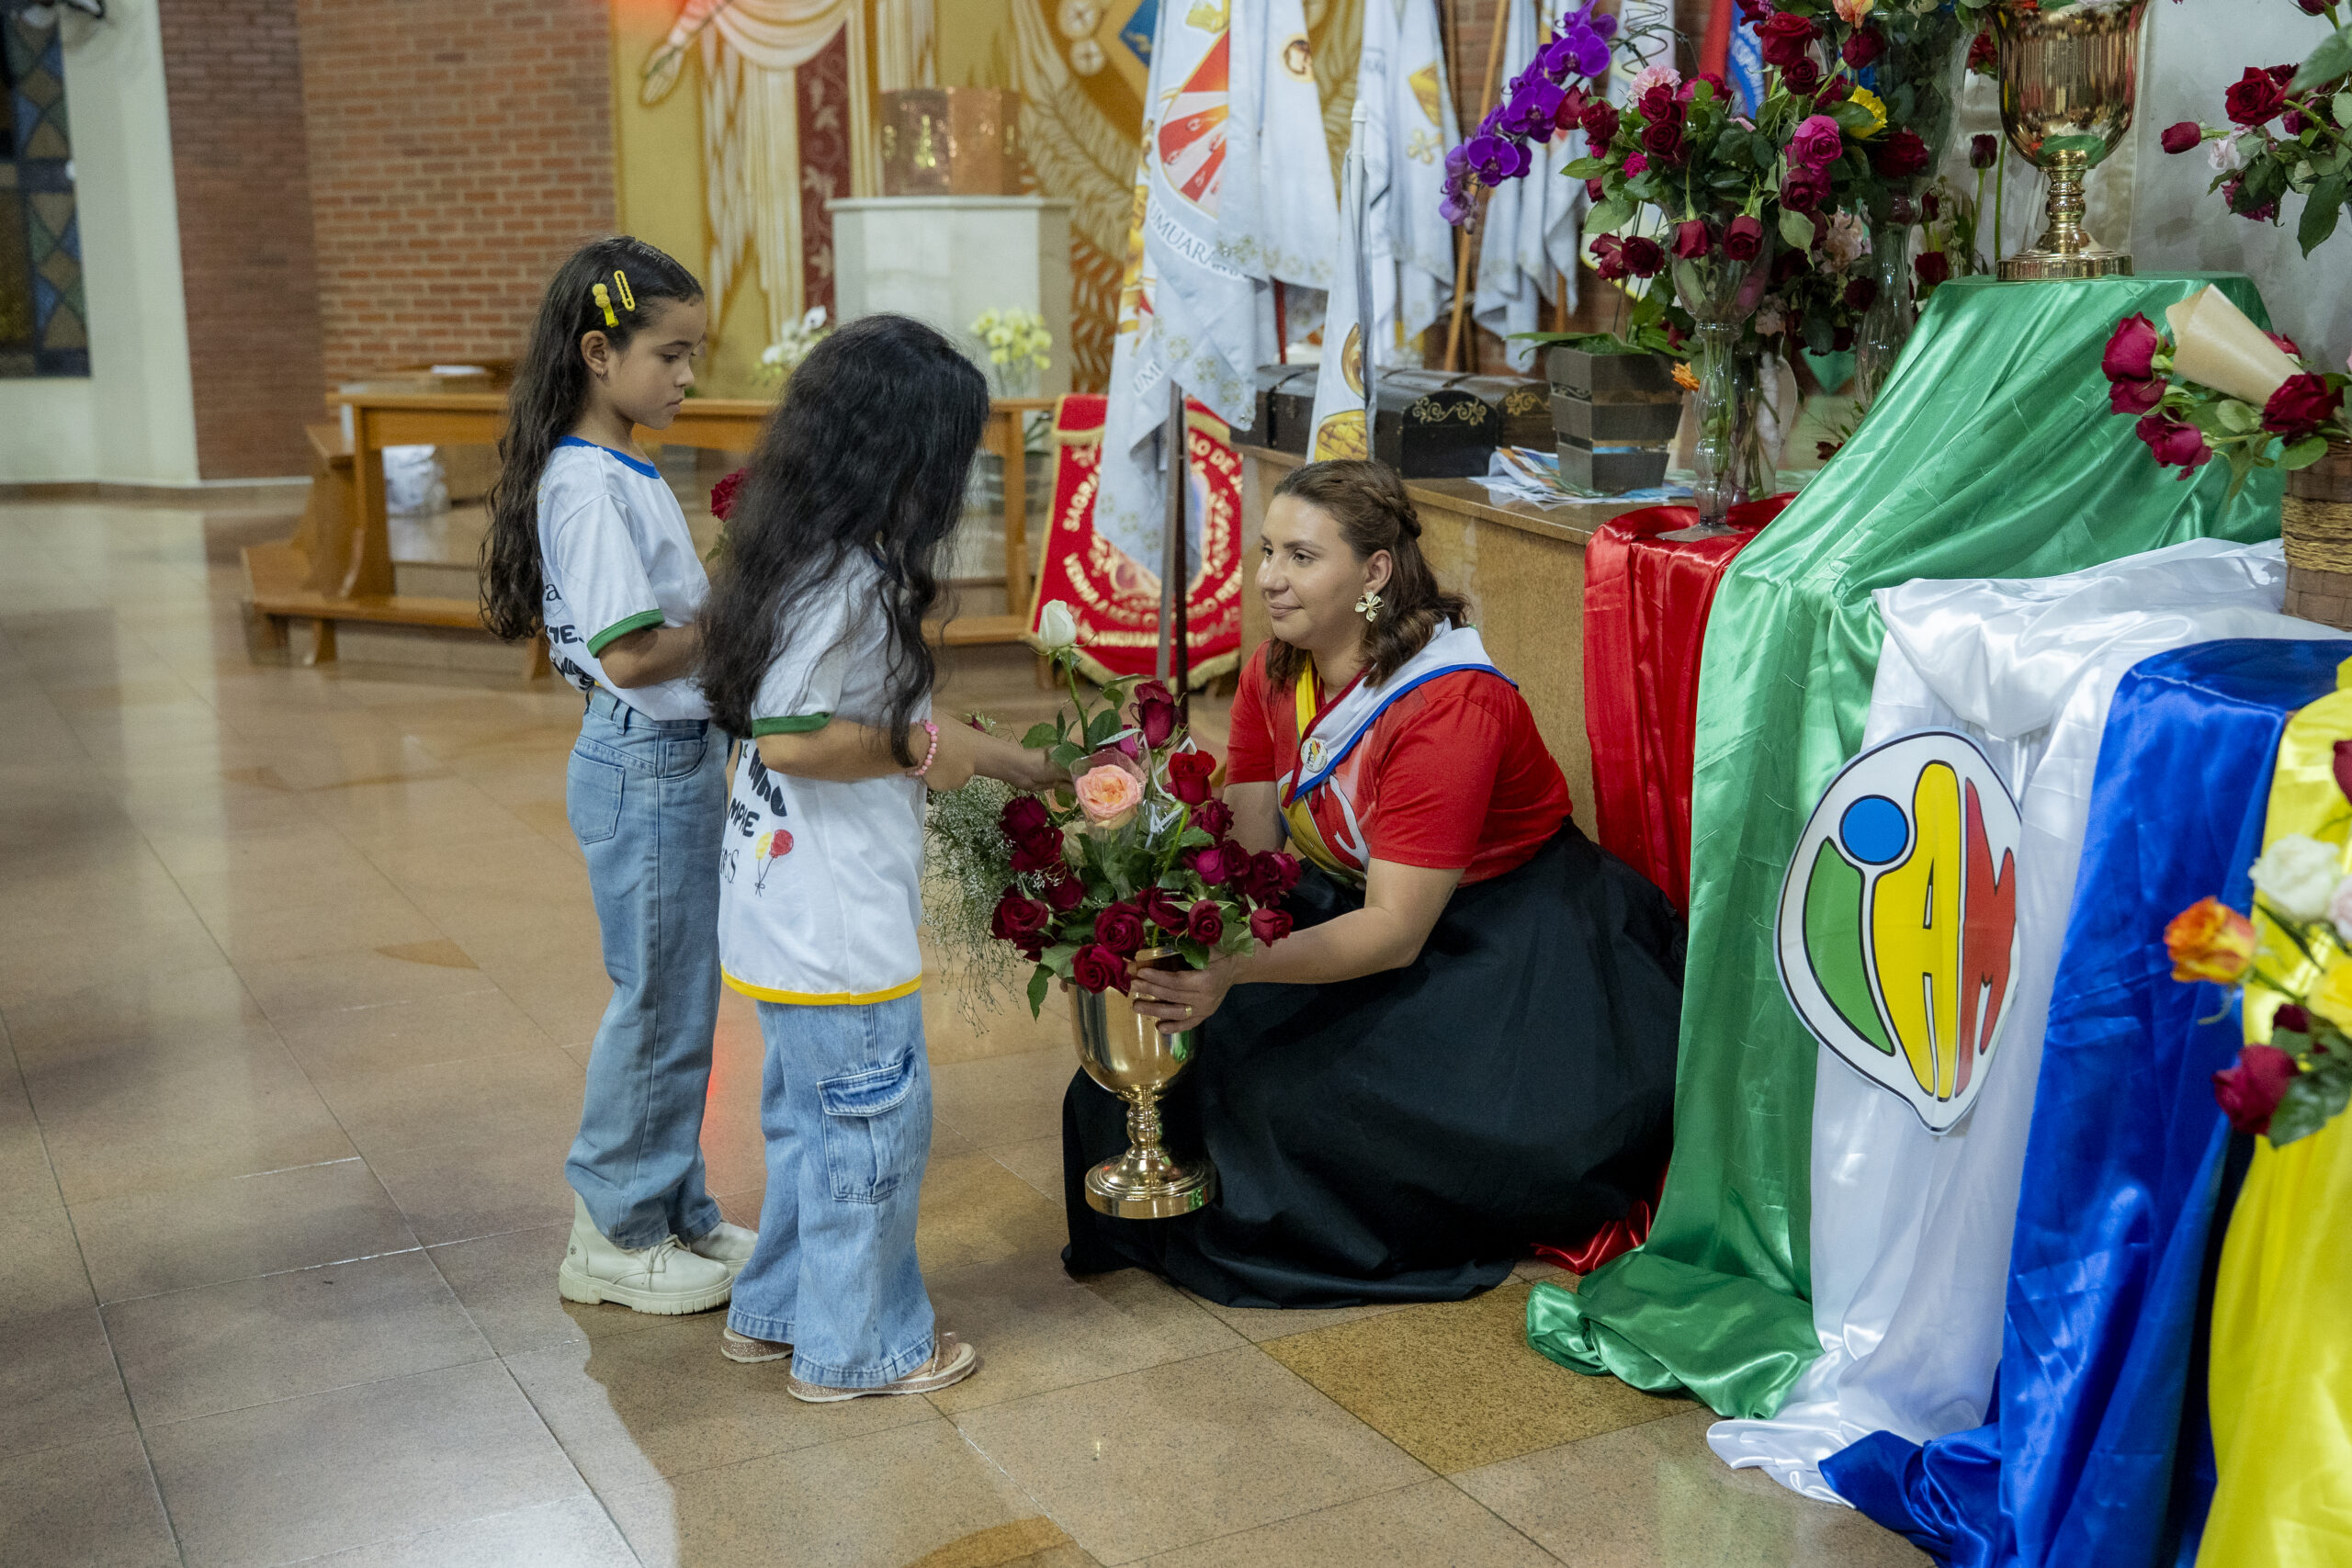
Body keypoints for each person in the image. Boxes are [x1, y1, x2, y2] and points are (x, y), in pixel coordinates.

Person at [1060, 458, 1685, 1307]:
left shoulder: (1448, 704)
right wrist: (1169, 924)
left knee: (1297, 1099)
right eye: (1267, 551)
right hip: (1352, 898)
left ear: (1375, 571)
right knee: (1184, 1045)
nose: (1269, 578)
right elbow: (1250, 852)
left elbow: (1396, 930)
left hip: (1508, 941)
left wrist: (1235, 970)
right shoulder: (1274, 670)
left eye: (1302, 557)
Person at [696, 313, 1061, 1399]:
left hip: (777, 906)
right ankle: (860, 1348)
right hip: (835, 922)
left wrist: (1012, 763)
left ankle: (776, 1310)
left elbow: (851, 712)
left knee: (810, 1126)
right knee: (871, 1133)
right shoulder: (848, 578)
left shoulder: (790, 551)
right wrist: (923, 751)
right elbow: (796, 738)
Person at [480, 235, 751, 1315]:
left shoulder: (618, 467)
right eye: (670, 355)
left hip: (670, 758)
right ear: (599, 353)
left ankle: (674, 1207)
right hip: (645, 762)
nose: (687, 377)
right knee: (656, 1005)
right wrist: (742, 613)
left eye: (693, 355)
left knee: (682, 1001)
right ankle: (612, 1232)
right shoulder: (587, 484)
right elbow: (633, 654)